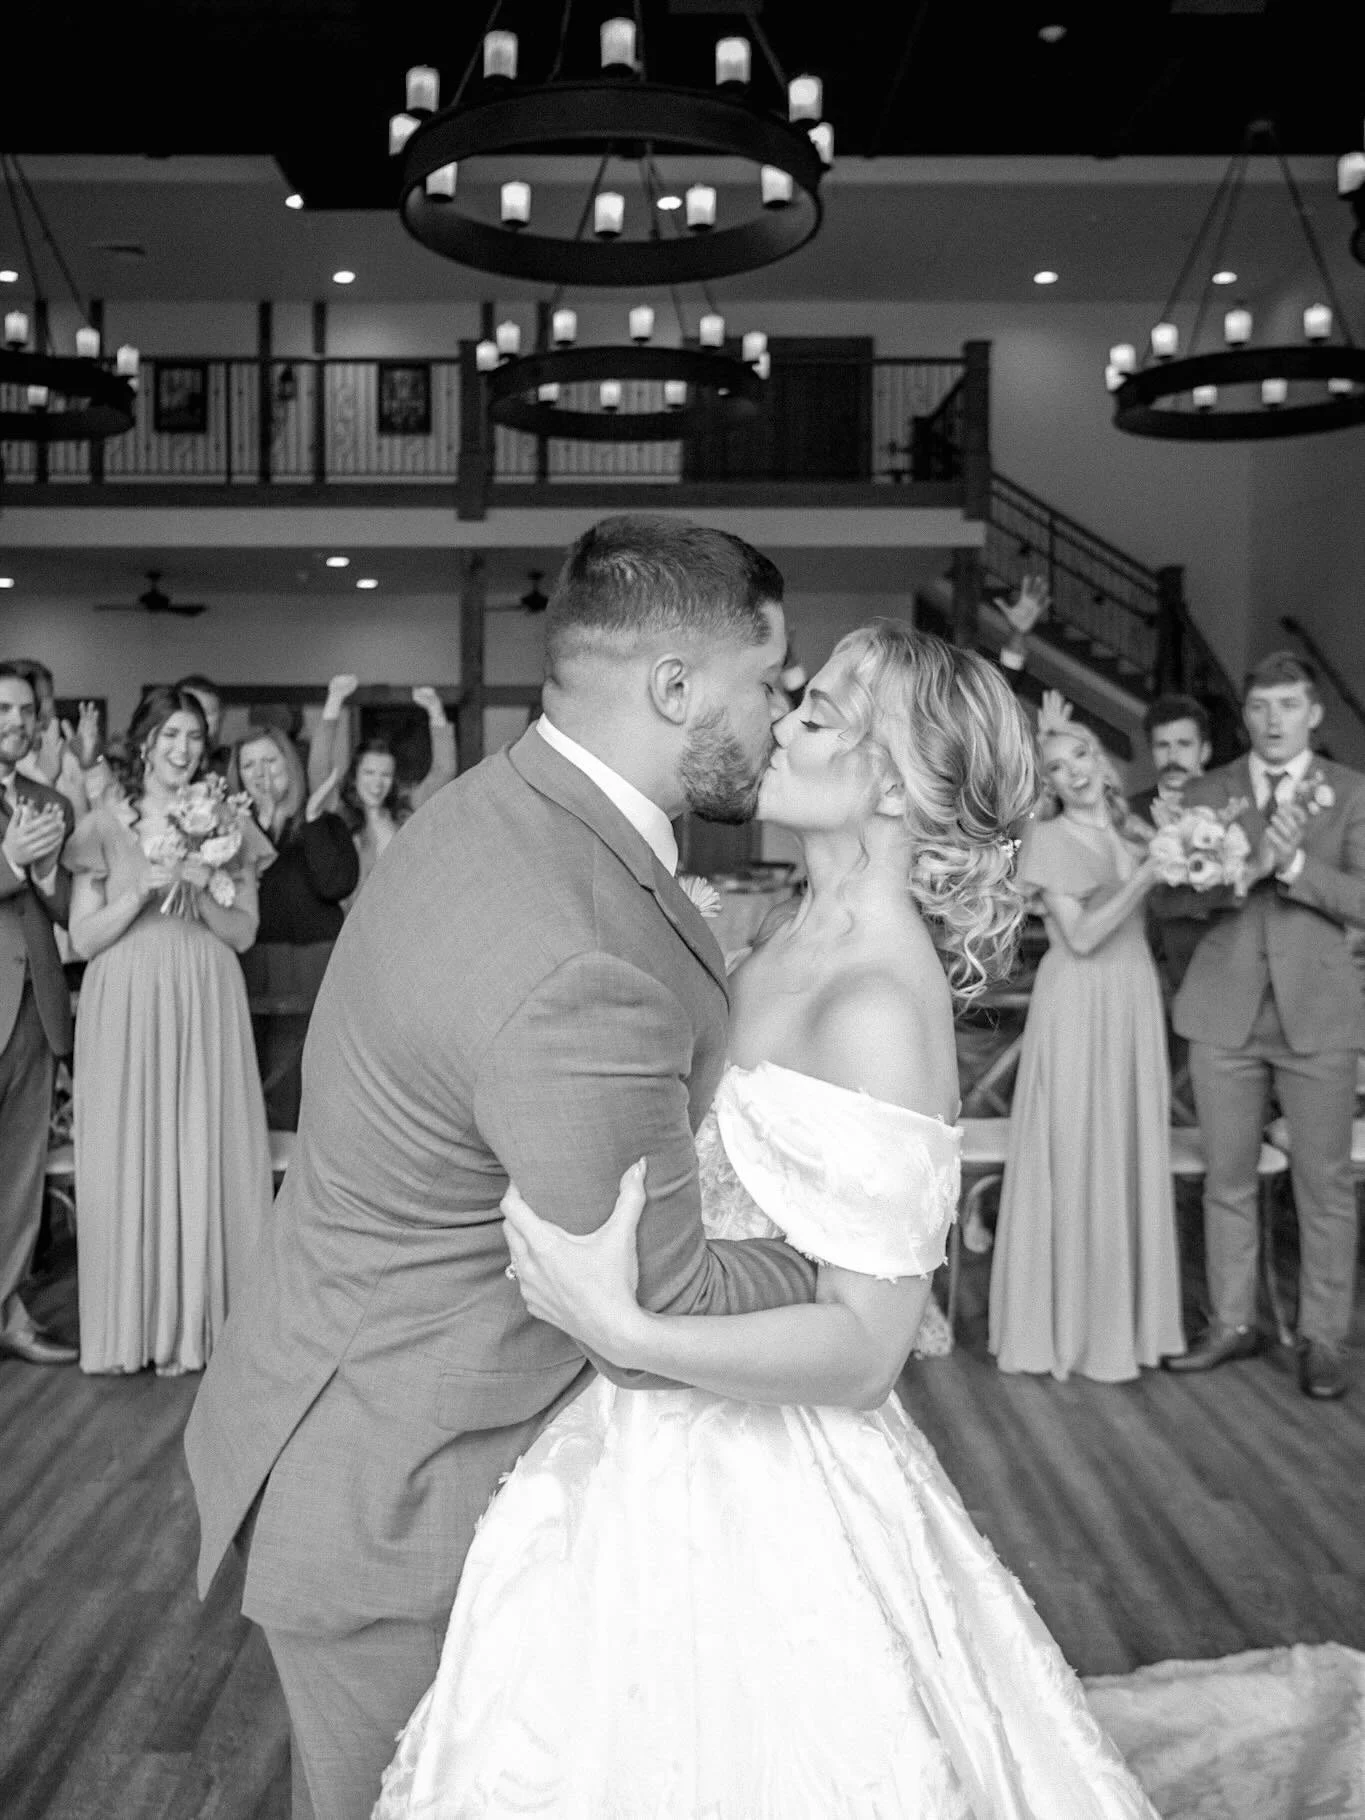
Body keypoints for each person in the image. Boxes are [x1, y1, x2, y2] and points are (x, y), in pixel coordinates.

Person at [373, 624, 1165, 1820]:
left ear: (898, 781)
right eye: (801, 695)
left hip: (766, 1482)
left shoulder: (877, 1004)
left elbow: (863, 1350)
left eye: (829, 710)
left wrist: (625, 1328)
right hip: (652, 1436)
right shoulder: (780, 936)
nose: (786, 718)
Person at [185, 515, 827, 1820]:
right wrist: (851, 1256)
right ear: (675, 687)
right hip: (402, 1500)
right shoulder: (568, 944)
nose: (783, 716)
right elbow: (657, 1308)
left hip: (355, 1391)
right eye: (773, 683)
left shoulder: (505, 802)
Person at [1163, 652, 1365, 1400]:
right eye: (1259, 707)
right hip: (1223, 1009)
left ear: (1313, 713)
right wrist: (1230, 875)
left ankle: (1320, 1338)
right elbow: (1171, 903)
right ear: (1242, 717)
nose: (1272, 720)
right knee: (1227, 1180)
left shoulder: (1349, 793)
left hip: (1319, 1013)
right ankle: (1230, 1324)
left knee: (1324, 1184)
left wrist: (1289, 871)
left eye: (1287, 705)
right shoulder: (1207, 791)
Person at [65, 686, 274, 1376]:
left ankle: (202, 1328)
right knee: (131, 1150)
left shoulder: (228, 822)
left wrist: (200, 880)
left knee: (199, 1144)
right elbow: (86, 938)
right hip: (125, 996)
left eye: (193, 738)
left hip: (204, 990)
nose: (183, 751)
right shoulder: (102, 823)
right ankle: (134, 1328)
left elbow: (243, 933)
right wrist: (143, 887)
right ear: (145, 743)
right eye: (169, 737)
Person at [988, 712, 1186, 1381]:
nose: (1070, 773)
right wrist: (1144, 877)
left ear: (1099, 759)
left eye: (1078, 756)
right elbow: (1080, 936)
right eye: (1055, 767)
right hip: (1077, 998)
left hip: (1132, 997)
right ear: (1046, 783)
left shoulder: (1134, 828)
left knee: (1125, 1147)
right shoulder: (1045, 839)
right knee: (1074, 1148)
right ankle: (1067, 1330)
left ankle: (1126, 1328)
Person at [0, 662, 78, 1367]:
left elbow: (64, 910)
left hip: (34, 1008)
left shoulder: (50, 800)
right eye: (2, 707)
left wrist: (47, 872)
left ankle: (9, 1311)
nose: (14, 721)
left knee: (20, 1177)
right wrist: (6, 859)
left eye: (25, 710)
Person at [231, 725, 358, 1129]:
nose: (260, 772)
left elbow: (336, 883)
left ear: (291, 764)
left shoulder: (325, 821)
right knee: (251, 1082)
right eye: (248, 764)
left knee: (304, 1085)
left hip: (312, 967)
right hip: (248, 966)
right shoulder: (226, 826)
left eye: (270, 760)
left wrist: (314, 820)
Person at [309, 674, 458, 903]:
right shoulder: (339, 811)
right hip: (352, 923)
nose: (377, 784)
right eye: (369, 773)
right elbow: (319, 768)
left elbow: (444, 771)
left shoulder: (405, 809)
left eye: (385, 775)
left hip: (401, 913)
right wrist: (335, 699)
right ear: (355, 775)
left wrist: (435, 710)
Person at [1130, 692, 1215, 994]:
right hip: (1142, 968)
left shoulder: (1231, 806)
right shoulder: (1129, 812)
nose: (1173, 757)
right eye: (1163, 746)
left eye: (1184, 745)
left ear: (1204, 751)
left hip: (1211, 967)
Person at [11, 658, 106, 818]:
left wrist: (92, 764)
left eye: (50, 698)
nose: (48, 710)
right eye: (38, 700)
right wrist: (44, 778)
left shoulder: (69, 752)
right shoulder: (8, 767)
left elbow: (115, 820)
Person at [175, 673, 232, 777]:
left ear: (221, 716)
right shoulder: (158, 764)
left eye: (207, 713)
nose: (199, 720)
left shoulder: (234, 764)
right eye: (192, 712)